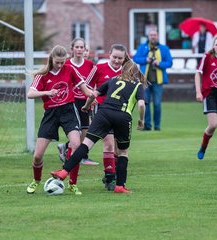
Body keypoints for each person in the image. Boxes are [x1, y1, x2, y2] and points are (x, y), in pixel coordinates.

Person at [50, 60, 146, 193]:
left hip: (103, 113)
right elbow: (141, 104)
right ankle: (119, 186)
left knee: (86, 144)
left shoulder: (113, 80)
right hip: (122, 117)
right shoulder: (138, 85)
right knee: (123, 152)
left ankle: (64, 171)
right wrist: (141, 120)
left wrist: (86, 106)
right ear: (135, 72)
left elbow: (93, 94)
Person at [26, 45, 94, 195]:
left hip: (68, 111)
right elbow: (30, 94)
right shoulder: (42, 75)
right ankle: (36, 181)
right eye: (58, 62)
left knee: (76, 144)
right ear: (52, 59)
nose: (61, 65)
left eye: (63, 62)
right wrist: (47, 92)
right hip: (50, 114)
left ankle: (72, 183)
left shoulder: (69, 69)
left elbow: (85, 88)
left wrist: (92, 95)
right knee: (37, 156)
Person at [85, 44, 129, 190]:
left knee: (118, 148)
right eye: (114, 57)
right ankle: (110, 178)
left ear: (124, 58)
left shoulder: (128, 71)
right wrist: (91, 101)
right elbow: (87, 86)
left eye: (120, 58)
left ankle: (112, 173)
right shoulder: (99, 67)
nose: (117, 60)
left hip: (121, 113)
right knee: (109, 143)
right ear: (109, 54)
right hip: (102, 111)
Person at [56, 38, 99, 166]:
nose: (79, 50)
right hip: (71, 101)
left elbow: (93, 83)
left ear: (85, 49)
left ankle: (66, 147)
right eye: (77, 47)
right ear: (72, 49)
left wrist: (93, 97)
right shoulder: (67, 64)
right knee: (77, 132)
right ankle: (79, 156)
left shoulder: (90, 64)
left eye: (82, 47)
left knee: (86, 131)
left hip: (85, 101)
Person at [133, 29, 173, 131]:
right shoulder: (143, 47)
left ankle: (157, 126)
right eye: (151, 35)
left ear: (158, 36)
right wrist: (145, 59)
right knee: (145, 103)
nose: (153, 37)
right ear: (148, 36)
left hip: (158, 81)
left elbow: (169, 63)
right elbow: (136, 58)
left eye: (154, 35)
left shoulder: (164, 48)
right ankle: (147, 125)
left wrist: (159, 63)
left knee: (157, 104)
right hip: (145, 81)